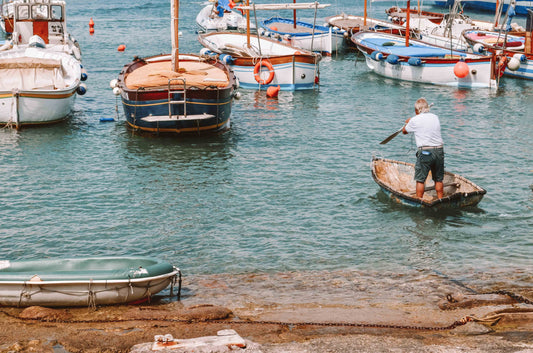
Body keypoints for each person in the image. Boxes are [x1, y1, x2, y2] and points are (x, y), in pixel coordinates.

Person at [402, 98, 444, 199]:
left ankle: (419, 200)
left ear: (417, 110)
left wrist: (408, 123)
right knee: (439, 179)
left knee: (420, 180)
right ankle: (440, 199)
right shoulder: (435, 117)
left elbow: (404, 131)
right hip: (439, 150)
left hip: (425, 152)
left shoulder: (415, 120)